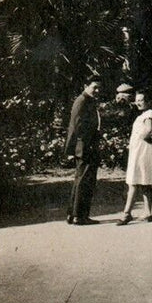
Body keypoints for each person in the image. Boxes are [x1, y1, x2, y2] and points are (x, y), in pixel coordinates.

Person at [117, 90, 152, 225]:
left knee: (133, 182)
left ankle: (126, 214)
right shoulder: (147, 114)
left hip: (142, 152)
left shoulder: (148, 114)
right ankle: (148, 213)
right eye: (137, 100)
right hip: (145, 151)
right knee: (145, 182)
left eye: (141, 100)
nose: (138, 102)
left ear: (148, 101)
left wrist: (143, 137)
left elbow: (148, 129)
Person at [64, 76, 103, 225]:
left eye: (99, 87)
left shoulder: (89, 101)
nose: (97, 90)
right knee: (84, 181)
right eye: (94, 87)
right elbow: (77, 126)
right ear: (86, 85)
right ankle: (79, 216)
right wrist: (91, 140)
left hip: (87, 145)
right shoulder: (82, 101)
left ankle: (73, 214)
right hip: (86, 146)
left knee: (81, 180)